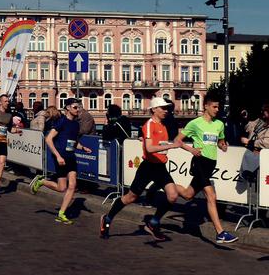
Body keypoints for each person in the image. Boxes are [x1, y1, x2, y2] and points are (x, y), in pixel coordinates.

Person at [99, 97, 183, 240]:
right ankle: (107, 218)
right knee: (130, 197)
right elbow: (150, 148)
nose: (166, 111)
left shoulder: (163, 125)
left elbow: (154, 143)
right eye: (163, 108)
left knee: (173, 196)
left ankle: (153, 222)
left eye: (167, 108)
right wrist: (170, 146)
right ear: (154, 109)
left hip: (160, 167)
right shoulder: (149, 125)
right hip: (148, 167)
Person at [173, 93, 238, 243]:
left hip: (211, 164)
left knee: (188, 194)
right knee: (211, 195)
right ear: (206, 106)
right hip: (200, 162)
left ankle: (166, 185)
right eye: (214, 107)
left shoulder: (219, 124)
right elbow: (177, 140)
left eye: (218, 107)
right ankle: (220, 233)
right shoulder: (195, 123)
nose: (217, 109)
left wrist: (223, 146)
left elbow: (220, 141)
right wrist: (191, 150)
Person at [30, 98, 92, 224]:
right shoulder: (61, 121)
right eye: (75, 107)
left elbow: (73, 143)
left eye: (79, 107)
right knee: (61, 187)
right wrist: (58, 156)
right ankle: (41, 182)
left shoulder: (76, 124)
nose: (78, 109)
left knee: (72, 185)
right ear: (68, 108)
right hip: (61, 157)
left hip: (70, 157)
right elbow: (48, 139)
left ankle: (61, 214)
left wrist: (82, 147)